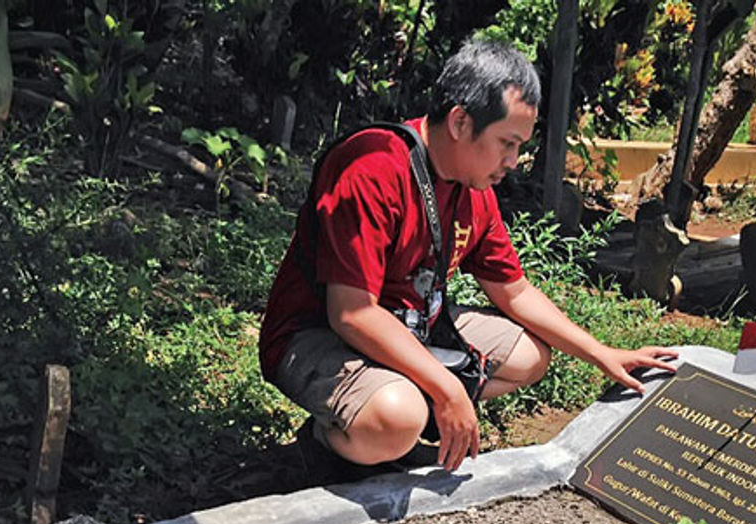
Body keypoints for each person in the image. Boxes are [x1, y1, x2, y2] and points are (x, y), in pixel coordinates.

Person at [259, 40, 678, 477]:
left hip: (407, 322)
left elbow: (513, 291)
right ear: (460, 121)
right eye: (506, 143)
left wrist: (601, 352)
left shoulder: (473, 189)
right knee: (398, 417)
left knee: (530, 356)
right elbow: (352, 314)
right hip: (313, 334)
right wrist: (446, 390)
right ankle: (329, 444)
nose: (513, 162)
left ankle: (397, 414)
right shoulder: (371, 167)